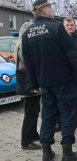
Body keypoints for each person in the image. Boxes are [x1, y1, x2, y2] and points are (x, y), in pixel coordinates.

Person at [22, 0, 77, 161]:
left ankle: (46, 152)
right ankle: (67, 153)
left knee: (48, 115)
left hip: (45, 83)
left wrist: (34, 83)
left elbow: (28, 63)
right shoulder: (56, 28)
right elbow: (72, 54)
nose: (52, 9)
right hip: (63, 81)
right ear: (44, 10)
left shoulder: (27, 34)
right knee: (67, 114)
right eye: (50, 7)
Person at [15, 22, 41, 150]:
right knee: (30, 112)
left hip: (29, 81)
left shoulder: (22, 43)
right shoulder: (23, 44)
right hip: (28, 81)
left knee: (34, 110)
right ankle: (26, 141)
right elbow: (27, 63)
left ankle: (33, 134)